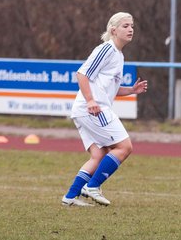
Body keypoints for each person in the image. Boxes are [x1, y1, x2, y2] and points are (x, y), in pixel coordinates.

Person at [60, 12, 149, 207]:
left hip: (88, 109)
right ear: (113, 29)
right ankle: (92, 187)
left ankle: (70, 197)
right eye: (125, 26)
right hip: (93, 109)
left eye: (132, 25)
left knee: (99, 155)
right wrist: (91, 101)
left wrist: (131, 90)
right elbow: (82, 74)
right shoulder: (106, 49)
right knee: (124, 147)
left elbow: (111, 89)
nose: (130, 29)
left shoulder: (119, 55)